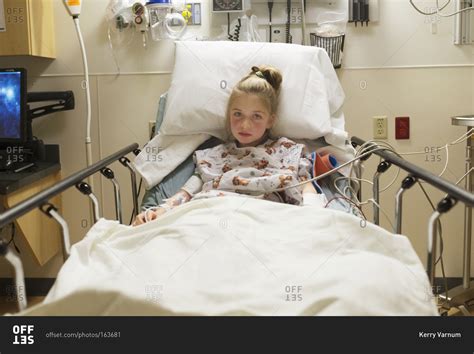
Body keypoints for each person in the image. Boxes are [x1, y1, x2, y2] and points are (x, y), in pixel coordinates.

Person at [133, 65, 318, 226]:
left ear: (271, 120)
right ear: (229, 114)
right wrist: (162, 210)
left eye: (256, 116)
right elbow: (187, 192)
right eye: (237, 114)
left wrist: (314, 213)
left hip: (263, 217)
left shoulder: (287, 151)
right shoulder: (212, 155)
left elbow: (305, 185)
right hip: (211, 214)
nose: (245, 125)